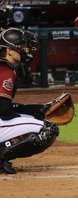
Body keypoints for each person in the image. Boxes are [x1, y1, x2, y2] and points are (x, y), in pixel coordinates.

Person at [0, 28, 59, 174]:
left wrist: (35, 110)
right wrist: (32, 110)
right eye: (22, 46)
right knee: (47, 129)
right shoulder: (5, 71)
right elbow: (3, 111)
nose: (26, 49)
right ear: (9, 50)